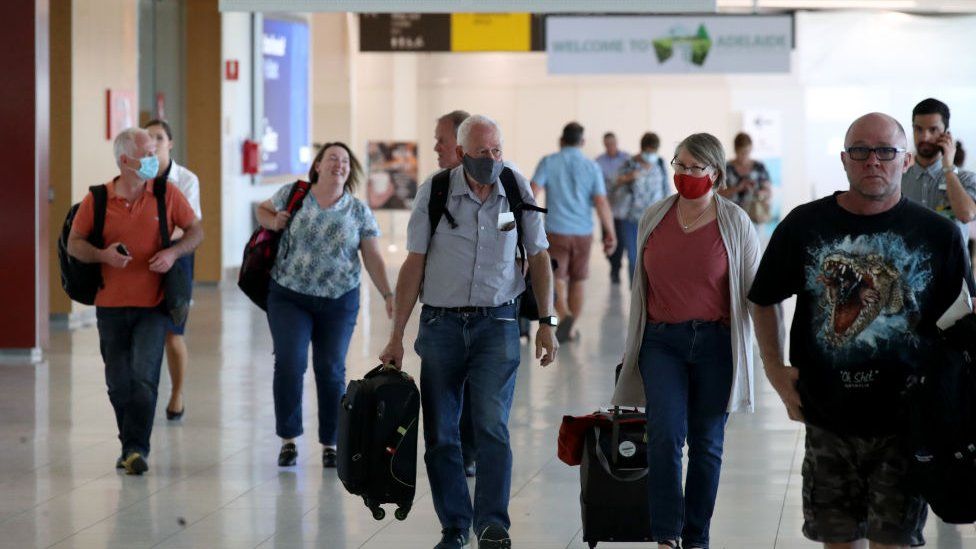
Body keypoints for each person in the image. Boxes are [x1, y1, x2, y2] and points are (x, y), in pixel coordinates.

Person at [749, 113, 974, 548]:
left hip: (907, 423)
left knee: (893, 541)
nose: (874, 161)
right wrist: (775, 371)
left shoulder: (939, 235)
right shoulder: (803, 225)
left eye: (886, 151)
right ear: (845, 160)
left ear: (905, 160)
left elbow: (963, 329)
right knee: (837, 540)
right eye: (861, 151)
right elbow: (763, 298)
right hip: (827, 416)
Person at [379, 114, 558, 549]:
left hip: (497, 322)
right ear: (461, 154)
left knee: (491, 426)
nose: (492, 160)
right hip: (440, 324)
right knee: (441, 433)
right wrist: (396, 335)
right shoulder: (436, 191)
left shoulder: (515, 187)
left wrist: (546, 323)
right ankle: (454, 526)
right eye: (482, 153)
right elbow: (413, 264)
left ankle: (492, 524)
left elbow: (539, 257)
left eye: (497, 150)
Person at [612, 133, 760, 549]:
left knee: (708, 442)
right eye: (681, 165)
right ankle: (665, 533)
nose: (687, 174)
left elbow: (754, 290)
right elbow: (641, 289)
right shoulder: (654, 217)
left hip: (716, 344)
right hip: (662, 343)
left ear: (716, 173)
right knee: (664, 436)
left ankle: (696, 536)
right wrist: (632, 344)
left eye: (697, 168)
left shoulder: (734, 221)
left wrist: (772, 354)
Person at [67, 127, 202, 475]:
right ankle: (129, 442)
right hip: (109, 305)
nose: (154, 156)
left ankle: (135, 448)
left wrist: (173, 254)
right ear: (125, 160)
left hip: (153, 305)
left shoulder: (166, 193)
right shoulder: (96, 200)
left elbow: (196, 231)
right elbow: (74, 243)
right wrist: (102, 254)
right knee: (118, 381)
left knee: (144, 377)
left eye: (155, 149)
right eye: (146, 152)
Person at [255, 142, 394, 469]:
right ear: (317, 165)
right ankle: (288, 439)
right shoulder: (295, 193)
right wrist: (274, 220)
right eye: (332, 158)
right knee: (290, 363)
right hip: (289, 294)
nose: (339, 164)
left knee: (331, 370)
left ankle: (331, 442)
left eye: (345, 160)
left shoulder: (358, 210)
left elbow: (372, 256)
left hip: (339, 299)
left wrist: (388, 294)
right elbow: (263, 210)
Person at [531, 122, 616, 342]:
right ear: (582, 142)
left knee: (556, 278)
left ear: (561, 140)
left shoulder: (549, 162)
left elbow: (533, 191)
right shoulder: (591, 166)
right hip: (583, 233)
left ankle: (564, 315)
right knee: (578, 280)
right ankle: (570, 329)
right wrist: (610, 232)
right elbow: (601, 201)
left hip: (555, 231)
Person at [143, 119, 200, 421]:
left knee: (172, 333)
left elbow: (187, 227)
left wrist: (160, 242)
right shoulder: (137, 178)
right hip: (143, 261)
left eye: (159, 137)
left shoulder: (186, 180)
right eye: (148, 138)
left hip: (176, 260)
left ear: (170, 143)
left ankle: (176, 392)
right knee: (147, 330)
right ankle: (145, 396)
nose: (153, 143)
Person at [433, 109, 478, 479]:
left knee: (480, 396)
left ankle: (469, 452)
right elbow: (416, 258)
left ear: (461, 148)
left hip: (490, 317)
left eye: (441, 140)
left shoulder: (506, 186)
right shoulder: (434, 190)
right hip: (443, 317)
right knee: (445, 398)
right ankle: (452, 455)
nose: (435, 146)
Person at [901, 98, 976, 249]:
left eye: (933, 130)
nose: (924, 137)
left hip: (952, 270)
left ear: (946, 134)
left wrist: (948, 167)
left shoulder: (966, 178)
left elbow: (966, 215)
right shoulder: (899, 180)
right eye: (918, 129)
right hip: (910, 270)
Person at [608, 132, 670, 285]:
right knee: (634, 257)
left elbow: (666, 190)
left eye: (654, 152)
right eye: (648, 152)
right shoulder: (629, 164)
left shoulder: (660, 164)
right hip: (632, 219)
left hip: (656, 219)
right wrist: (628, 177)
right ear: (642, 150)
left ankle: (652, 290)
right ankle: (635, 291)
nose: (651, 155)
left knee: (656, 257)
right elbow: (612, 186)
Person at [719, 132, 773, 224]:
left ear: (751, 149)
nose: (744, 156)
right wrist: (737, 188)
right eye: (742, 153)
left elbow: (768, 192)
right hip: (731, 217)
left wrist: (757, 192)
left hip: (755, 216)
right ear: (735, 150)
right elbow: (718, 194)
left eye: (747, 152)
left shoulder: (759, 167)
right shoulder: (726, 168)